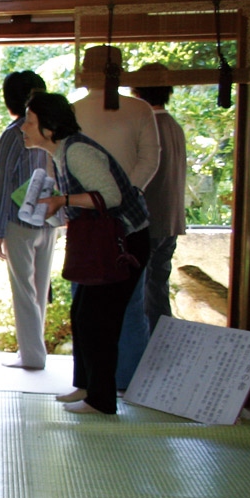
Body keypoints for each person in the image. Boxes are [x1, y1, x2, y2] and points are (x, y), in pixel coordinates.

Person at [23, 92, 150, 415]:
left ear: (49, 127)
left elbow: (111, 197)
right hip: (108, 243)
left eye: (31, 121)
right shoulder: (62, 152)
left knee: (99, 320)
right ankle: (87, 386)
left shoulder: (76, 151)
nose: (24, 127)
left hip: (124, 245)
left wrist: (62, 201)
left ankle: (102, 400)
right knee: (83, 315)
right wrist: (56, 206)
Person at [72, 45, 158, 389]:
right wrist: (125, 196)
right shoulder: (137, 109)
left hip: (95, 218)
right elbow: (150, 161)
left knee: (91, 305)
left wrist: (104, 200)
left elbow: (150, 160)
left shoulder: (76, 110)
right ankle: (113, 383)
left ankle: (93, 384)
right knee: (120, 306)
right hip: (118, 218)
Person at [0, 70, 55, 370]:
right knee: (40, 288)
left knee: (24, 291)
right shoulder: (52, 130)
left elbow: (1, 185)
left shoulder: (14, 133)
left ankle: (31, 356)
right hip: (49, 219)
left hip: (19, 221)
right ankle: (36, 353)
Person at [132, 63, 188, 332]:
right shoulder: (173, 125)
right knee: (157, 286)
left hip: (149, 220)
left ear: (137, 92)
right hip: (171, 219)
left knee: (145, 293)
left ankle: (152, 351)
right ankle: (161, 345)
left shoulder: (148, 127)